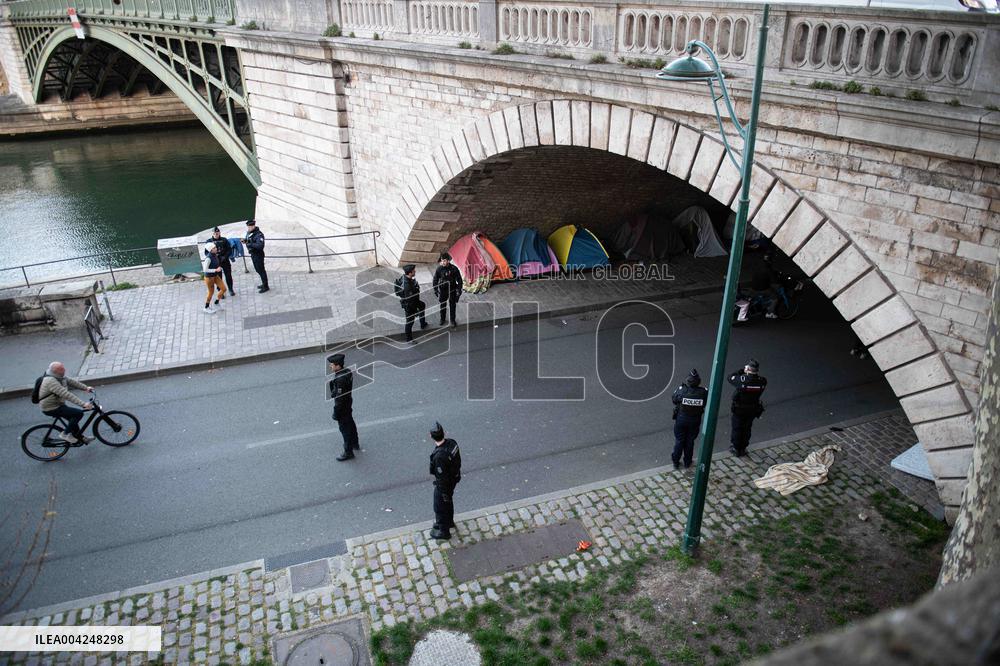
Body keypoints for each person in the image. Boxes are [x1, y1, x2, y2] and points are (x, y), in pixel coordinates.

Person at [37, 361, 94, 444]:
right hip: (51, 408)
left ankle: (80, 438)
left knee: (73, 419)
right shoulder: (50, 381)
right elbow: (66, 394)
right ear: (55, 372)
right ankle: (65, 434)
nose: (64, 370)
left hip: (58, 404)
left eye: (63, 368)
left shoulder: (59, 376)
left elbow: (71, 382)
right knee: (78, 413)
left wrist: (85, 388)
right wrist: (83, 404)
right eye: (62, 369)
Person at [428, 422, 461, 540]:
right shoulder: (452, 443)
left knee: (440, 506)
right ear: (444, 433)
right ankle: (449, 521)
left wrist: (441, 491)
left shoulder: (439, 456)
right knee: (448, 501)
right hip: (454, 479)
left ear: (430, 436)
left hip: (445, 484)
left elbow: (441, 476)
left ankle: (443, 530)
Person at [728, 359, 767, 457]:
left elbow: (730, 377)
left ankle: (736, 448)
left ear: (749, 369)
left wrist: (741, 371)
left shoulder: (743, 380)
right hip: (753, 409)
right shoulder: (762, 381)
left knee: (737, 428)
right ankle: (743, 448)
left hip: (740, 409)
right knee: (747, 428)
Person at [671, 369, 708, 469]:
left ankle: (675, 462)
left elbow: (674, 399)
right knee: (690, 441)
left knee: (679, 440)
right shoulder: (703, 392)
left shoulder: (682, 390)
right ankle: (687, 462)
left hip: (681, 419)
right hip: (695, 420)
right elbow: (707, 402)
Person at [328, 353, 360, 461]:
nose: (330, 366)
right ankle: (355, 443)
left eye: (332, 364)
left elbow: (339, 399)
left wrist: (336, 413)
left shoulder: (340, 378)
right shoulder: (347, 371)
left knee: (344, 429)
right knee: (350, 423)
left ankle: (348, 452)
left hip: (343, 407)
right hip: (348, 403)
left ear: (338, 366)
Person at [398, 264, 429, 342]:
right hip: (410, 306)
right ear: (409, 273)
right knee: (410, 322)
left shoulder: (407, 278)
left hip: (414, 301)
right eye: (413, 271)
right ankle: (409, 338)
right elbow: (410, 300)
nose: (415, 271)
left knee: (422, 305)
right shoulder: (407, 286)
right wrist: (415, 311)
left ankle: (423, 324)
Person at [432, 252, 463, 327]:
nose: (443, 262)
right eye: (442, 260)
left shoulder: (454, 269)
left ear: (448, 261)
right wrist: (435, 289)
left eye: (444, 260)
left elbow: (459, 280)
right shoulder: (439, 269)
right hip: (443, 290)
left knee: (452, 306)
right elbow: (435, 279)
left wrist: (459, 290)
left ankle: (452, 320)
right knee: (442, 305)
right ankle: (442, 319)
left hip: (452, 289)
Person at [749, 253, 779, 319]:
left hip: (753, 287)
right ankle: (769, 313)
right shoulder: (768, 269)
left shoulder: (759, 265)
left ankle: (766, 304)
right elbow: (774, 280)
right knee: (775, 298)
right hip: (762, 289)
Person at [242, 219, 269, 293]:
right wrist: (245, 241)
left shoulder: (259, 234)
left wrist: (250, 244)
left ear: (253, 226)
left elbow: (260, 246)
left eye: (250, 226)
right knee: (257, 270)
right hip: (253, 254)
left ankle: (266, 286)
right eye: (248, 226)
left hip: (258, 255)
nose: (249, 228)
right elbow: (248, 240)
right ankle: (264, 283)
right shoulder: (249, 232)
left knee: (261, 270)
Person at [202, 243, 227, 314]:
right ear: (211, 250)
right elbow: (205, 270)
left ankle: (216, 303)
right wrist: (215, 270)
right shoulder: (208, 258)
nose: (216, 248)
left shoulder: (214, 255)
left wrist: (218, 268)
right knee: (211, 292)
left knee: (224, 289)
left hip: (215, 276)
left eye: (215, 247)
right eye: (214, 248)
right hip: (209, 278)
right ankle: (206, 307)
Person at [211, 226, 235, 295]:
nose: (216, 234)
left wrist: (224, 257)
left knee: (228, 276)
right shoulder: (209, 241)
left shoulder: (224, 240)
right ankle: (220, 291)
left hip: (225, 261)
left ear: (219, 232)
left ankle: (231, 289)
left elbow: (229, 250)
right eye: (214, 233)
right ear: (212, 233)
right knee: (218, 278)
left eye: (217, 232)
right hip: (216, 263)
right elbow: (206, 252)